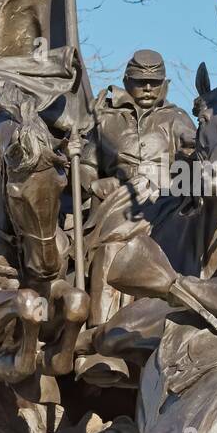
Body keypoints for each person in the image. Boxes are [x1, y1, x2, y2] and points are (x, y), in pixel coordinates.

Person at [80, 48, 196, 323]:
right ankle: (101, 329)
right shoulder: (105, 118)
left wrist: (193, 153)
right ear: (126, 81)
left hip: (164, 201)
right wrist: (93, 184)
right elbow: (86, 167)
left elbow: (193, 152)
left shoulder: (176, 117)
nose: (147, 88)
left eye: (154, 83)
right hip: (117, 204)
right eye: (140, 81)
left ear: (164, 84)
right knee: (111, 247)